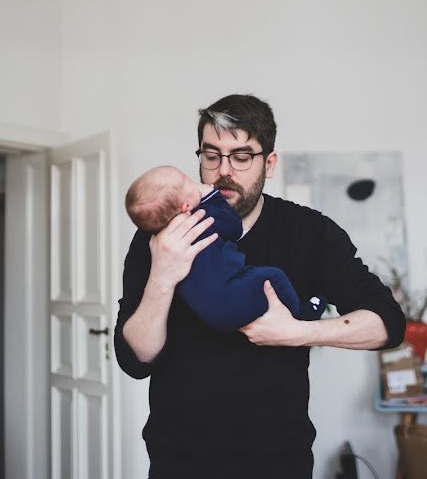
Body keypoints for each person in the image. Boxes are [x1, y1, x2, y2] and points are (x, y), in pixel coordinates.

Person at [114, 94, 406, 479]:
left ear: (268, 163)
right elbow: (134, 359)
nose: (223, 170)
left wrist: (298, 332)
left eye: (241, 156)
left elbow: (389, 324)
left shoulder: (310, 232)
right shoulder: (158, 238)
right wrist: (163, 275)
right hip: (177, 459)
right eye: (211, 154)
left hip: (277, 460)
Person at [124, 165, 327, 330]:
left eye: (240, 157)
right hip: (231, 294)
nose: (195, 183)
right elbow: (233, 227)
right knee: (274, 277)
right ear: (186, 206)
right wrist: (212, 197)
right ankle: (301, 316)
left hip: (210, 314)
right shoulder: (199, 221)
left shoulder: (164, 239)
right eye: (188, 182)